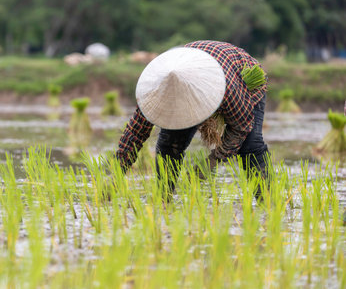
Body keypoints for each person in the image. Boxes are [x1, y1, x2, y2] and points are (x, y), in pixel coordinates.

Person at [115, 40, 269, 198]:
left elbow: (241, 127)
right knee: (169, 144)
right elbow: (134, 134)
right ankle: (163, 198)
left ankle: (267, 201)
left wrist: (213, 160)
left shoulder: (229, 89)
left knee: (250, 146)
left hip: (241, 75)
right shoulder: (154, 93)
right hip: (194, 68)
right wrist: (116, 174)